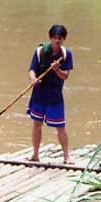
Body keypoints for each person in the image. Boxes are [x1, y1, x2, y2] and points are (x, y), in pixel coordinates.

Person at [26, 24, 74, 163]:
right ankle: (35, 154)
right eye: (54, 38)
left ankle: (66, 156)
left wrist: (57, 70)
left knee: (60, 127)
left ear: (63, 39)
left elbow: (65, 76)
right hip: (39, 94)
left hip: (55, 96)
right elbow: (31, 69)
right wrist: (33, 79)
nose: (57, 41)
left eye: (60, 38)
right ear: (50, 38)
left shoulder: (66, 55)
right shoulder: (40, 51)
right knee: (37, 124)